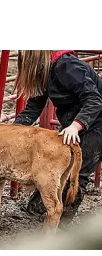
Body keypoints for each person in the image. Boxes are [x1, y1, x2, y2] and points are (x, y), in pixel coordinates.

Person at [13, 50, 102, 227]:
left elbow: (94, 99)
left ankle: (61, 225)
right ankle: (38, 208)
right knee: (57, 166)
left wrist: (76, 125)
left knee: (77, 172)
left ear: (32, 59)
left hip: (97, 123)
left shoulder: (66, 66)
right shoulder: (45, 70)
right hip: (79, 123)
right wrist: (12, 130)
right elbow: (34, 106)